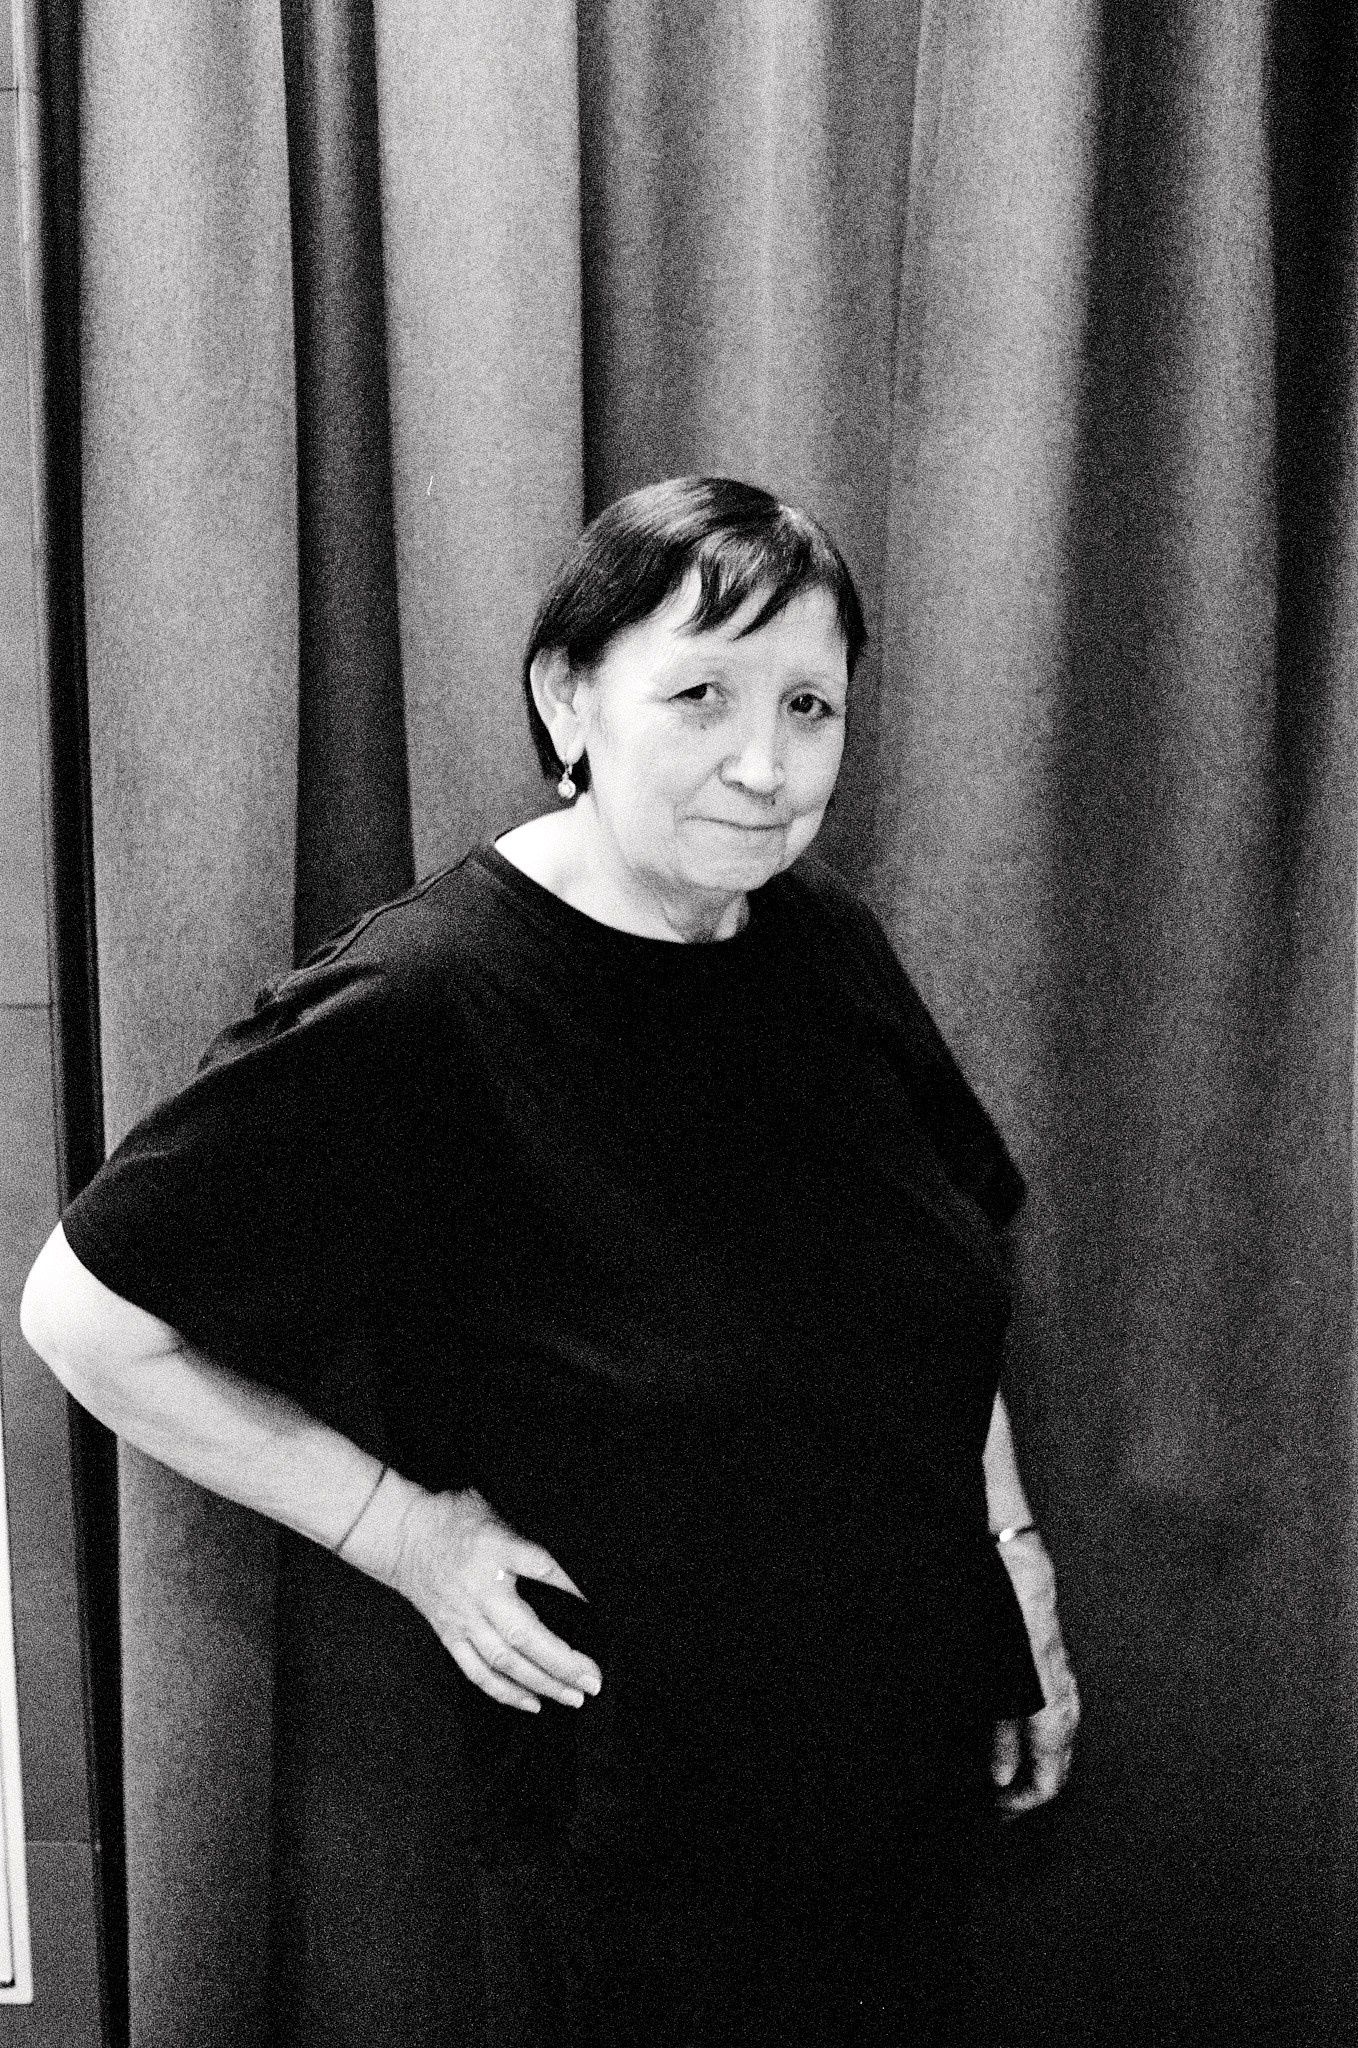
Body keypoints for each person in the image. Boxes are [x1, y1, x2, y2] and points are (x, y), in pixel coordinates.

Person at [22, 476, 1079, 2046]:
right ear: (567, 698)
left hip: (903, 1740)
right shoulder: (422, 1000)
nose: (764, 765)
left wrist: (1012, 1564)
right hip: (648, 1811)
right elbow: (82, 1317)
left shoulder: (818, 935)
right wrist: (400, 1532)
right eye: (701, 695)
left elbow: (932, 1283)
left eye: (807, 706)